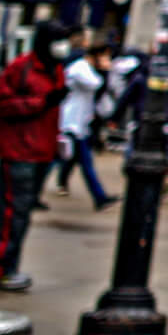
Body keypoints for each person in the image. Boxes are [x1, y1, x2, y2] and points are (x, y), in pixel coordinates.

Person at [0, 19, 78, 290]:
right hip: (19, 151)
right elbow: (2, 106)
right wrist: (40, 103)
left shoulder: (56, 70)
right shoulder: (21, 68)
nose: (63, 47)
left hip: (42, 151)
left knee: (22, 214)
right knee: (11, 215)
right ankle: (2, 268)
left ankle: (8, 266)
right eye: (59, 41)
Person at [52, 41, 118, 210]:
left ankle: (98, 197)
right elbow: (95, 84)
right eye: (104, 56)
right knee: (73, 162)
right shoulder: (80, 68)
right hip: (70, 123)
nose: (107, 60)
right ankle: (99, 197)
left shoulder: (86, 68)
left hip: (80, 124)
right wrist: (104, 70)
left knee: (69, 160)